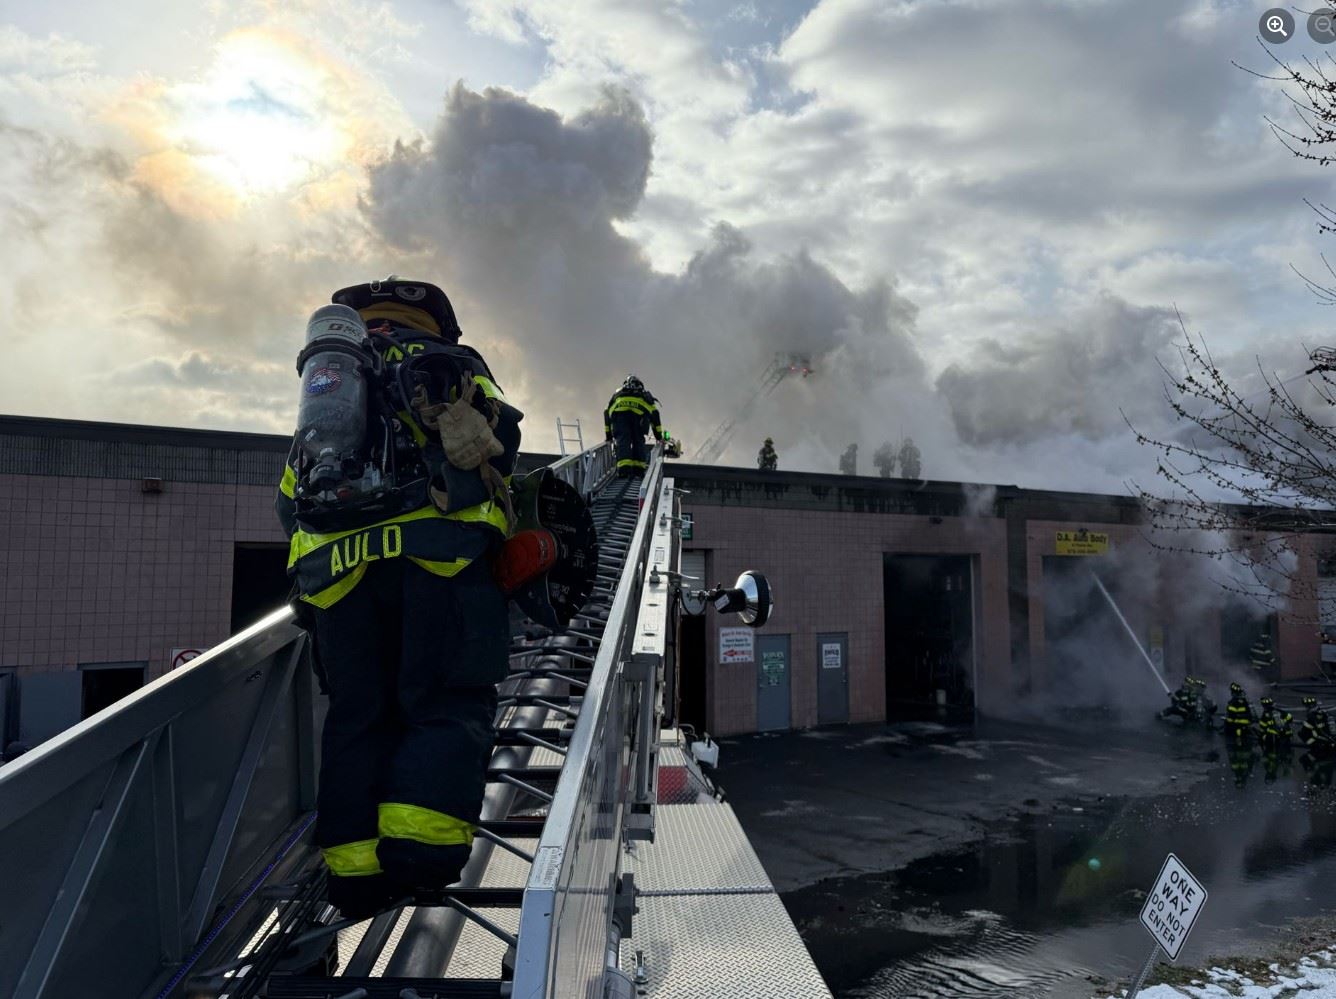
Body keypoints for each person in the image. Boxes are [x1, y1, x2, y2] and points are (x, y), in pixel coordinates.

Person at [276, 277, 523, 919]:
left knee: (359, 714)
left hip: (338, 582)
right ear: (436, 321)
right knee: (440, 701)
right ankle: (420, 858)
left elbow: (287, 500)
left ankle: (354, 872)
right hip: (439, 564)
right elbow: (507, 443)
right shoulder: (449, 363)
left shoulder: (330, 391)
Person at [604, 375, 664, 476]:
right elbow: (655, 415)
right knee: (638, 440)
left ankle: (624, 469)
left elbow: (606, 412)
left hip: (620, 418)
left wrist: (608, 436)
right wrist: (659, 436)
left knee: (623, 440)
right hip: (638, 419)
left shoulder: (617, 395)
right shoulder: (644, 396)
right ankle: (639, 469)